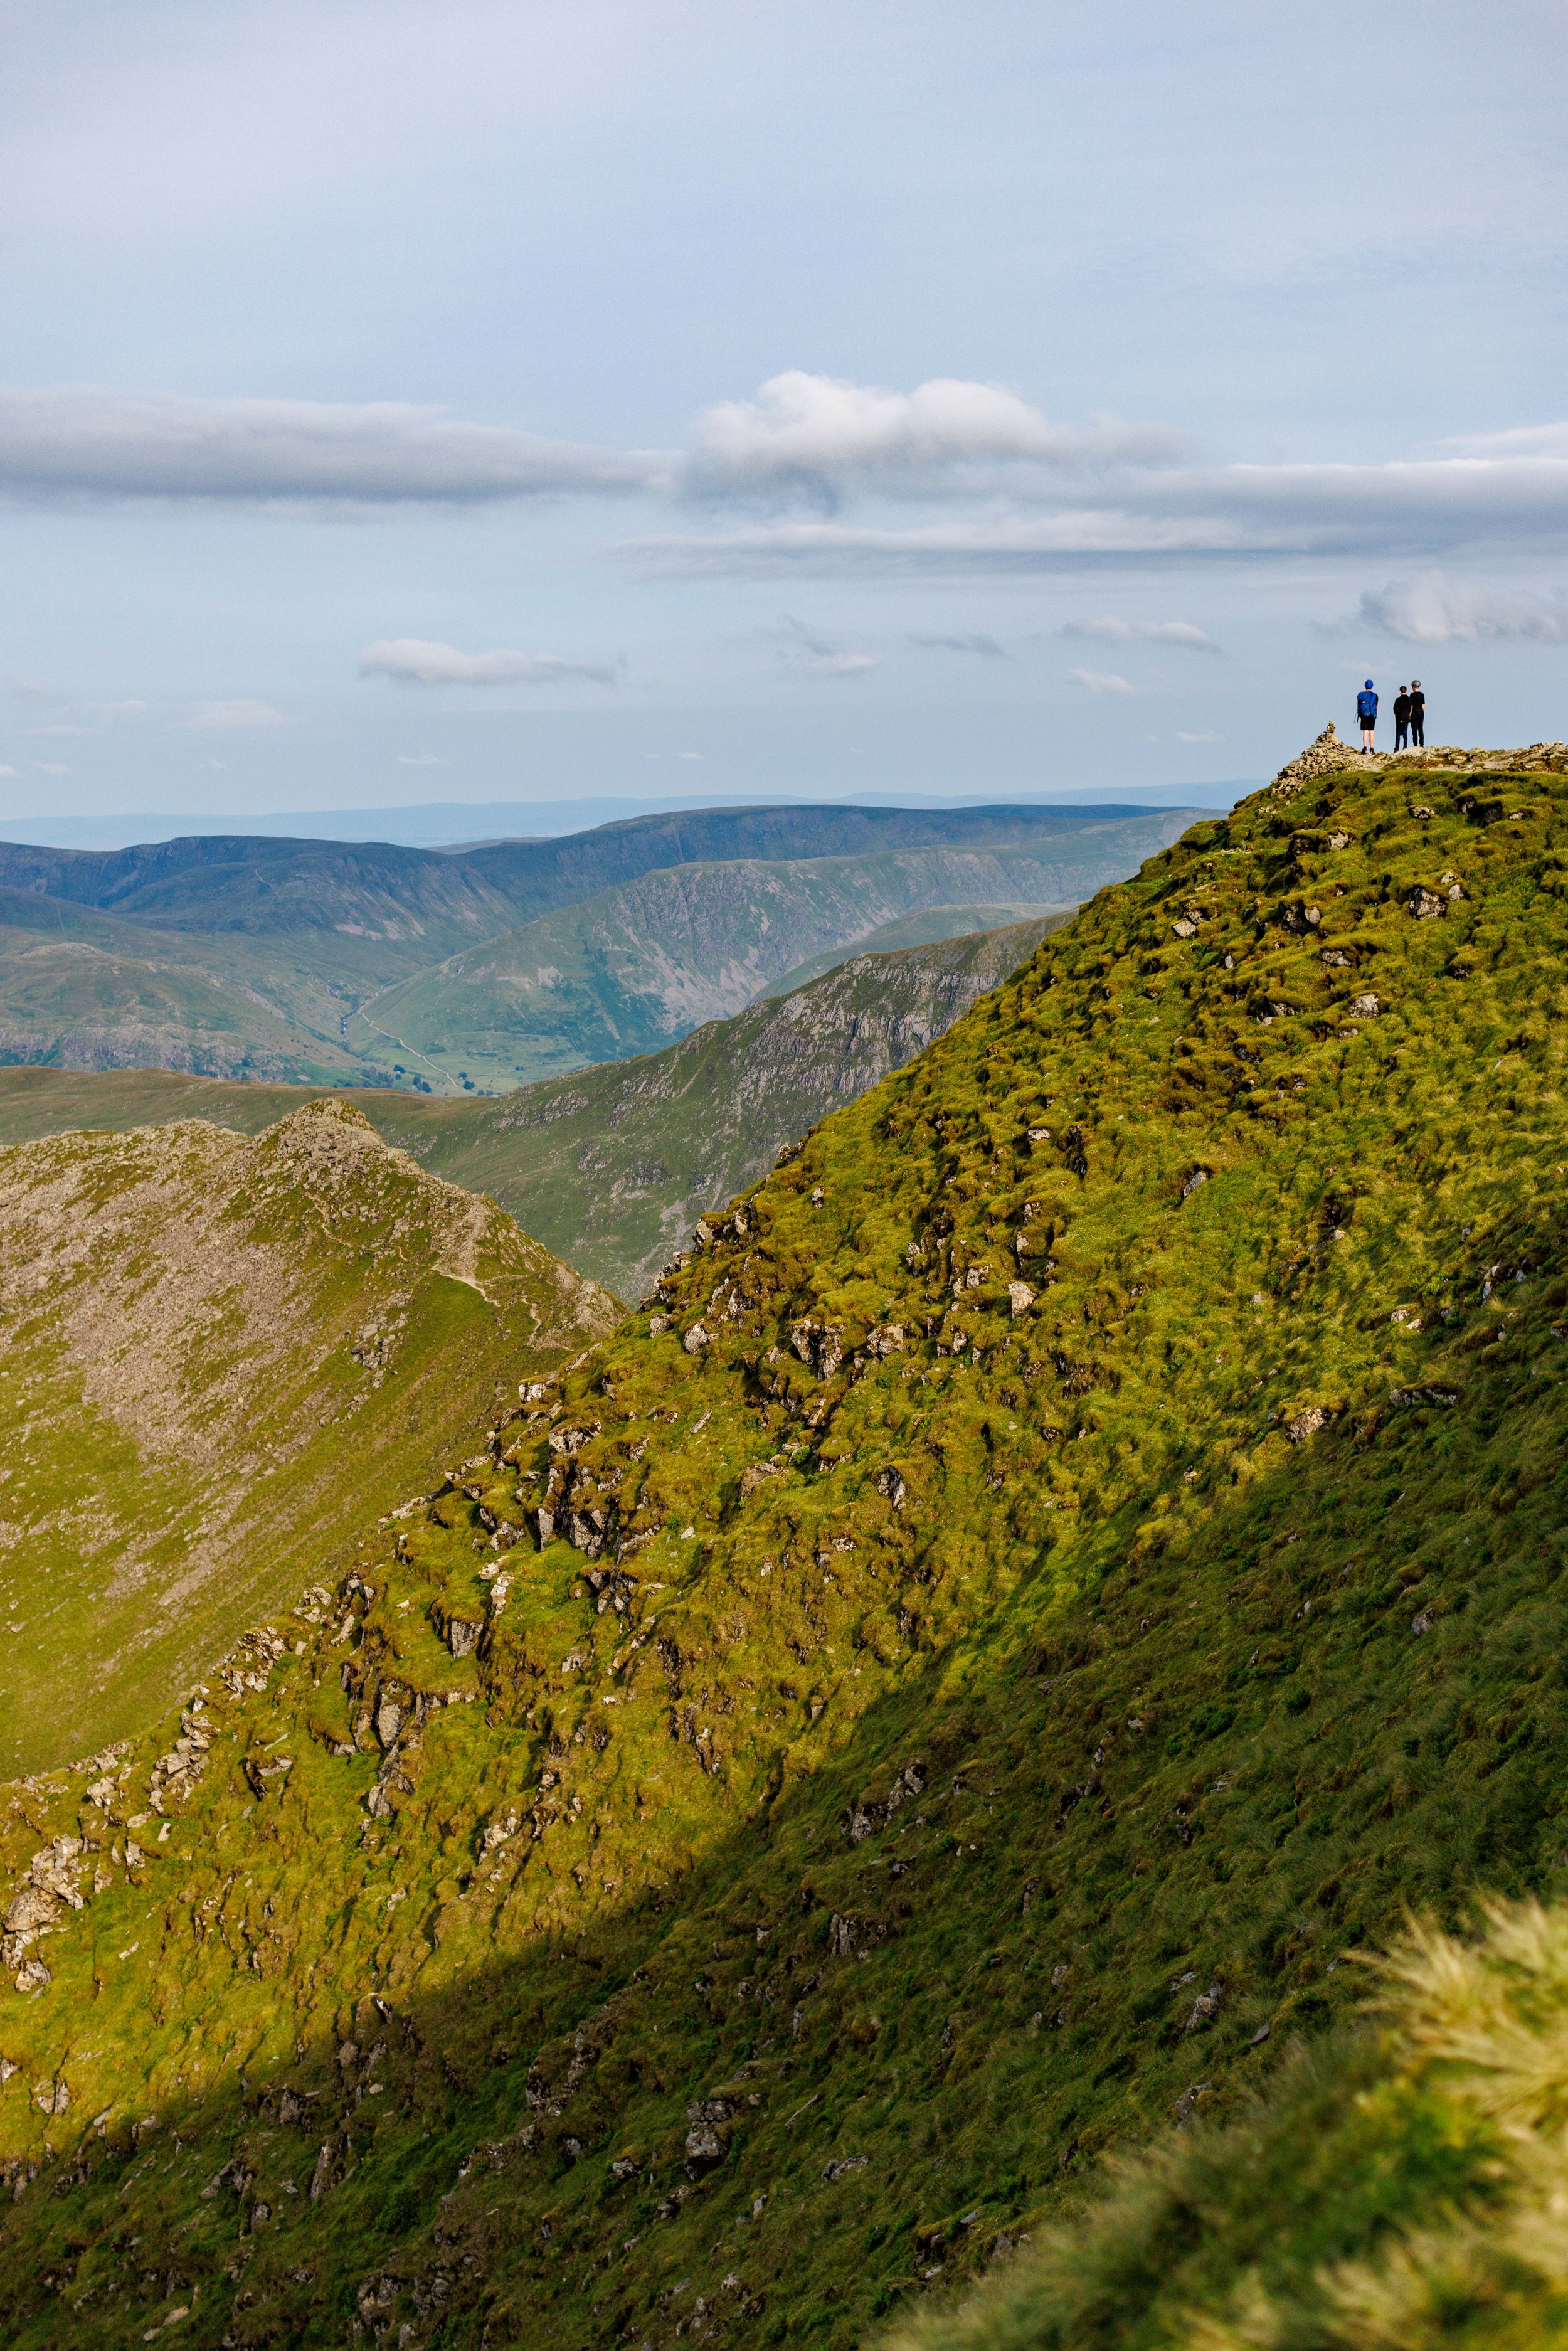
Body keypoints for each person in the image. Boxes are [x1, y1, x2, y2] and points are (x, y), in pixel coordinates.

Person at [1357, 679, 1378, 751]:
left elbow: (1359, 705)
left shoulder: (1360, 695)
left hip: (1364, 715)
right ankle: (1371, 749)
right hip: (1372, 715)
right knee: (1371, 732)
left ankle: (1365, 748)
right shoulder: (1375, 695)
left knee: (1365, 732)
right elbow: (1376, 706)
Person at [1393, 684, 1412, 751]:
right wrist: (1409, 716)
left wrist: (1397, 715)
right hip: (1406, 718)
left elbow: (1394, 709)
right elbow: (1411, 709)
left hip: (1399, 718)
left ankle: (1397, 748)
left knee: (1398, 734)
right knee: (1405, 733)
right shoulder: (1409, 699)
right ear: (1406, 691)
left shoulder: (1398, 700)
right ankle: (1405, 748)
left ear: (1400, 691)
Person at [1409, 680, 1425, 746]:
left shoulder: (1412, 695)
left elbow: (1411, 706)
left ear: (1413, 687)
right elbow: (1423, 705)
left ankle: (1415, 744)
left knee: (1414, 729)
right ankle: (1422, 744)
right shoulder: (1422, 694)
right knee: (1421, 728)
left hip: (1414, 713)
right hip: (1421, 712)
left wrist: (1410, 714)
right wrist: (1422, 712)